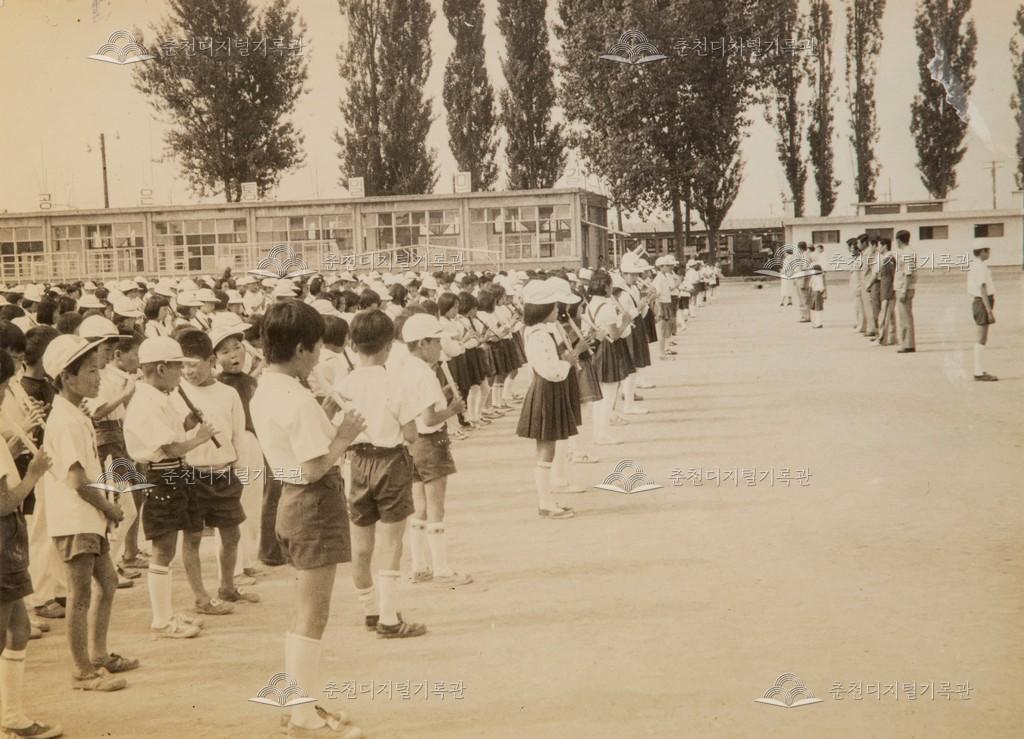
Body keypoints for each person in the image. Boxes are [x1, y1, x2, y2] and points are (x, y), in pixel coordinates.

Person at [249, 300, 366, 738]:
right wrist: (346, 435)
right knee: (314, 615)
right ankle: (302, 717)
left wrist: (331, 421)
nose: (318, 357)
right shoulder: (295, 398)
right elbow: (315, 466)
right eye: (315, 348)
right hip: (312, 501)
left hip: (293, 500)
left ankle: (300, 703)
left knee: (305, 612)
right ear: (300, 349)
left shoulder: (267, 390)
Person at [42, 335, 138, 692]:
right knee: (79, 595)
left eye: (98, 369)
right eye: (91, 371)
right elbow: (77, 480)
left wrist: (104, 509)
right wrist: (108, 506)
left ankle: (97, 655)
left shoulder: (75, 414)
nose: (98, 378)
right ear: (67, 378)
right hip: (75, 519)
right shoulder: (65, 420)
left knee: (108, 582)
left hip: (88, 517)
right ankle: (82, 670)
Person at [335, 309, 431, 640]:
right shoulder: (396, 383)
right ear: (389, 346)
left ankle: (371, 611)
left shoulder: (343, 385)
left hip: (356, 463)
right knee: (391, 545)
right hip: (390, 462)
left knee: (361, 547)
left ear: (352, 344)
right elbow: (412, 434)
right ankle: (389, 619)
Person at [123, 336, 215, 639]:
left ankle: (167, 612)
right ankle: (162, 620)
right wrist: (199, 438)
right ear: (161, 369)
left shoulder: (159, 397)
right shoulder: (147, 401)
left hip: (174, 473)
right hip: (162, 476)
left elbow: (172, 436)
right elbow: (171, 448)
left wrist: (188, 423)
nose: (181, 374)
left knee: (169, 548)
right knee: (163, 549)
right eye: (177, 367)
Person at [0, 348, 62, 739]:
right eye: (3, 386)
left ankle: (12, 715)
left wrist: (13, 448)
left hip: (8, 538)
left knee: (18, 627)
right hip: (2, 537)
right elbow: (4, 503)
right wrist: (35, 473)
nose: (7, 392)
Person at [171, 329, 255, 612]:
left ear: (211, 361)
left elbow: (238, 435)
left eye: (194, 365)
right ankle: (200, 597)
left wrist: (239, 471)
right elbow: (171, 438)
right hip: (191, 474)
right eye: (182, 366)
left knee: (231, 535)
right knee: (192, 537)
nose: (188, 372)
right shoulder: (175, 394)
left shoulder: (228, 394)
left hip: (223, 473)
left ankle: (227, 587)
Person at [400, 314, 471, 587]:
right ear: (422, 343)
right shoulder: (425, 373)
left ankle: (419, 566)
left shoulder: (406, 368)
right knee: (436, 508)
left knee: (419, 507)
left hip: (413, 443)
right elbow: (430, 418)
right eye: (436, 342)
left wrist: (441, 395)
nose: (440, 347)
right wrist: (452, 409)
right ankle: (441, 568)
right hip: (431, 442)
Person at [515, 280, 588, 519]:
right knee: (546, 452)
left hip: (548, 389)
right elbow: (552, 371)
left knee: (548, 450)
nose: (558, 310)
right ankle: (545, 503)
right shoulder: (539, 335)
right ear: (543, 309)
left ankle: (547, 500)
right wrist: (571, 357)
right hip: (547, 390)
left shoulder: (540, 332)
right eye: (554, 306)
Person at [968, 247, 997, 381]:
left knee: (982, 338)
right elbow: (982, 289)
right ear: (982, 252)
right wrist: (989, 311)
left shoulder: (977, 265)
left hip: (981, 302)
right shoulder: (980, 267)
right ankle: (978, 372)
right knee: (981, 338)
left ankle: (979, 370)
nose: (989, 253)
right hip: (982, 303)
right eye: (987, 251)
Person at [894, 230, 917, 353]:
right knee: (905, 317)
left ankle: (908, 345)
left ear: (898, 240)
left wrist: (903, 291)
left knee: (905, 317)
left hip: (905, 288)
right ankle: (907, 343)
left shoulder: (907, 253)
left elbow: (908, 274)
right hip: (904, 287)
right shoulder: (907, 252)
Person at [874, 239, 897, 346]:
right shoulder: (887, 258)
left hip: (887, 290)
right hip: (887, 289)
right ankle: (892, 338)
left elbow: (891, 277)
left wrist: (889, 291)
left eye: (879, 246)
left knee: (884, 315)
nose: (877, 248)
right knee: (890, 315)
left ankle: (882, 339)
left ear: (885, 246)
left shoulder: (889, 259)